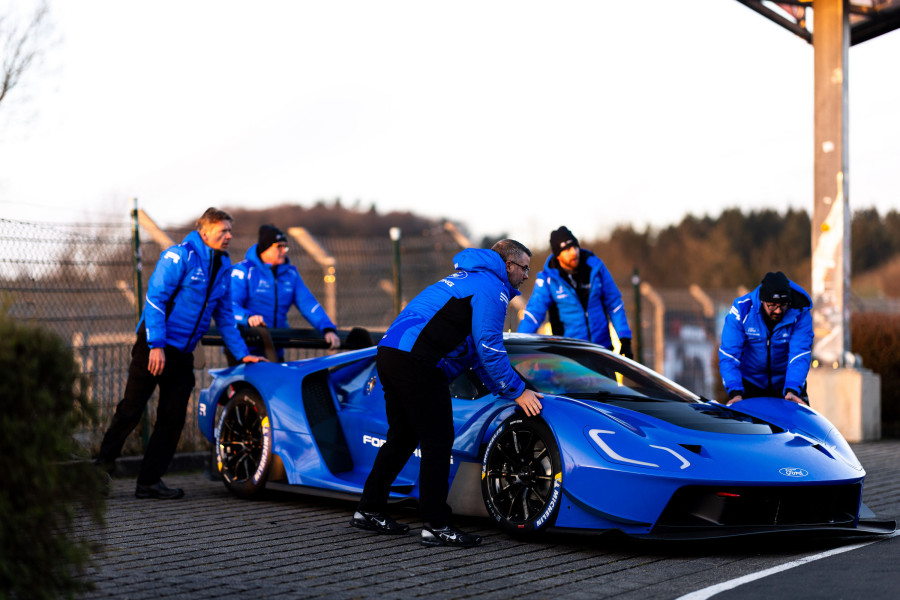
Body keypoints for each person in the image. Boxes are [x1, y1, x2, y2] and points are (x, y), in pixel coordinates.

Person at [351, 239, 544, 548]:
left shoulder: (470, 278)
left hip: (391, 353)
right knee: (438, 439)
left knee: (402, 438)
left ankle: (369, 509)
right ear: (508, 266)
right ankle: (436, 525)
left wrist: (507, 390)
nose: (526, 275)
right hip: (417, 361)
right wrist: (519, 392)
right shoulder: (491, 288)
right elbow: (490, 348)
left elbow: (476, 356)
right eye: (524, 268)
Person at [95, 208, 265, 499]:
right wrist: (156, 345)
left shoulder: (224, 266)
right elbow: (155, 298)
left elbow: (224, 315)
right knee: (131, 409)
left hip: (183, 353)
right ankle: (99, 472)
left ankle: (149, 482)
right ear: (204, 230)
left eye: (230, 231)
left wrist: (241, 353)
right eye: (223, 230)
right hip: (154, 346)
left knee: (172, 418)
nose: (229, 236)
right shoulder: (179, 256)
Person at [518, 226, 633, 359]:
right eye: (566, 249)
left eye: (574, 246)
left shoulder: (596, 268)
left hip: (602, 352)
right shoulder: (548, 279)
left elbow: (615, 305)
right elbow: (534, 315)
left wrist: (625, 339)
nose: (573, 252)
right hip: (570, 357)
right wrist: (520, 346)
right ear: (558, 255)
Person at [231, 224, 340, 360]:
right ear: (265, 248)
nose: (284, 251)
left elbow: (308, 304)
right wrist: (248, 317)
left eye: (285, 246)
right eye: (279, 246)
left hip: (275, 349)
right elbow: (229, 306)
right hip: (245, 351)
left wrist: (327, 328)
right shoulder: (244, 271)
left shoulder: (291, 274)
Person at [718, 271, 813, 405]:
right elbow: (729, 355)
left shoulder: (800, 312)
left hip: (787, 384)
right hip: (749, 385)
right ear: (762, 300)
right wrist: (736, 392)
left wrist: (792, 389)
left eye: (783, 305)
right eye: (772, 305)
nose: (778, 311)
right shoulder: (742, 309)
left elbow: (800, 354)